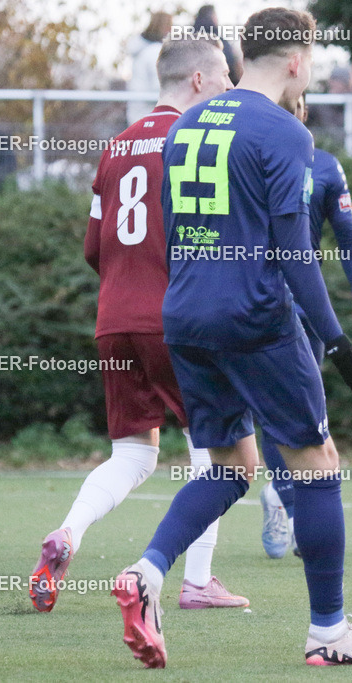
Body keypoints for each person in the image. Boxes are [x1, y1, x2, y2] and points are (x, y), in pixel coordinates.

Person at [110, 7, 352, 669]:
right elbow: (295, 252)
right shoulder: (285, 132)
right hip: (253, 317)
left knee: (231, 466)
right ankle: (329, 632)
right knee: (317, 461)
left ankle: (147, 571)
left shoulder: (188, 123)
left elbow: (173, 227)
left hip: (185, 315)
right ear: (297, 61)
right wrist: (335, 341)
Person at [29, 37, 247, 615]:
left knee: (133, 453)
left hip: (114, 320)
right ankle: (197, 581)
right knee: (216, 455)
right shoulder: (196, 143)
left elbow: (93, 247)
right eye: (224, 77)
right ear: (197, 81)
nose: (230, 87)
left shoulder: (117, 146)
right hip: (177, 319)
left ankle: (68, 532)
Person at [260, 92, 352, 559]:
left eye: (292, 103)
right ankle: (290, 507)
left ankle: (283, 495)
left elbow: (348, 237)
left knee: (303, 405)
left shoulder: (326, 167)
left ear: (304, 109)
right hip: (254, 298)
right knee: (270, 406)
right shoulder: (248, 156)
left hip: (304, 301)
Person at [126, 12, 172, 125]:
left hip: (137, 115)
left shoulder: (143, 50)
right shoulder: (155, 51)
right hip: (150, 117)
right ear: (166, 27)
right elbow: (159, 87)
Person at [194, 4, 244, 85]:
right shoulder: (218, 39)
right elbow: (230, 61)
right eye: (215, 16)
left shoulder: (190, 38)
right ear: (211, 17)